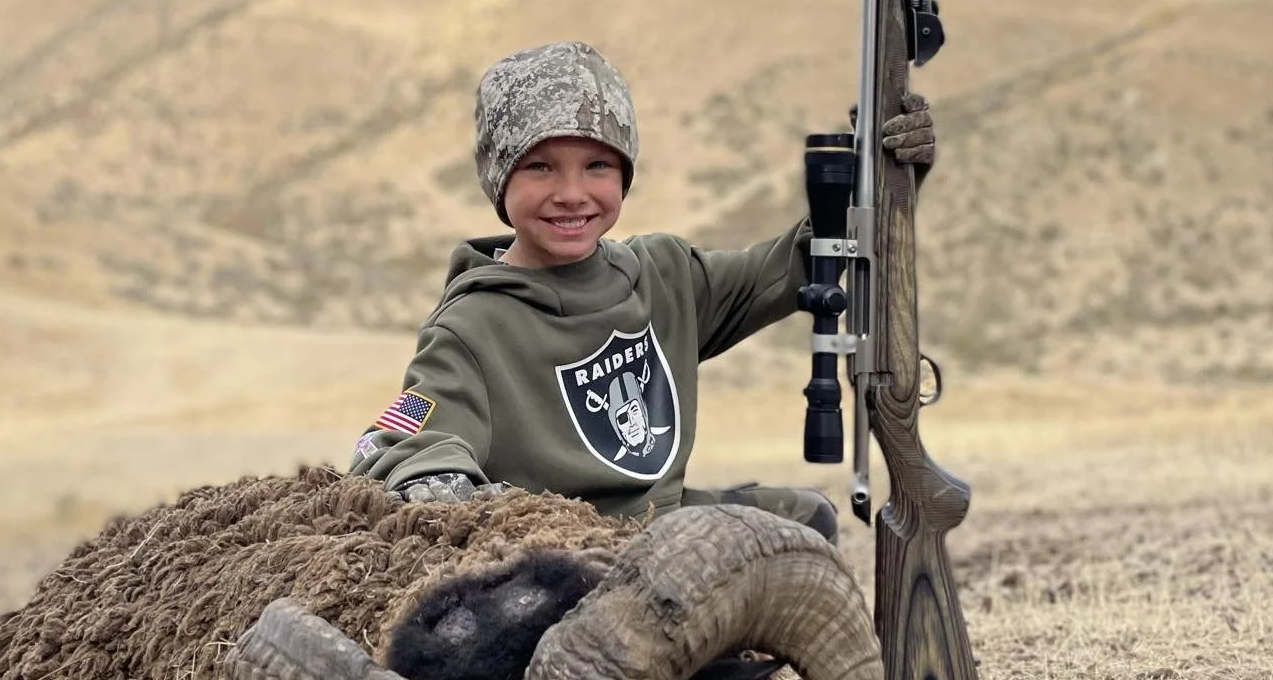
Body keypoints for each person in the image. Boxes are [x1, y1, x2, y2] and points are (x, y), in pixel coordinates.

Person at [346, 40, 935, 537]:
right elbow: (406, 439)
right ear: (498, 180)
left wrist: (885, 181)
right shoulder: (470, 328)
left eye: (598, 166)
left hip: (667, 531)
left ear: (625, 174)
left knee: (806, 521)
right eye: (539, 167)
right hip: (558, 559)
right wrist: (452, 497)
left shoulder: (665, 274)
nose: (572, 193)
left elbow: (804, 262)